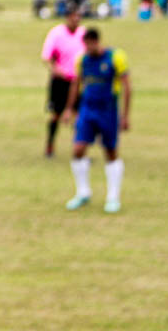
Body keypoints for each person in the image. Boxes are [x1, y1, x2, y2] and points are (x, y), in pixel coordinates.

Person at [62, 27, 132, 213]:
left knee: (110, 151)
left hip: (108, 110)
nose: (87, 48)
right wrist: (69, 109)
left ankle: (113, 197)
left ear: (97, 42)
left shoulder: (115, 58)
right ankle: (83, 192)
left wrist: (125, 115)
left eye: (90, 44)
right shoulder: (82, 60)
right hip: (87, 109)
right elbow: (76, 84)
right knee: (78, 149)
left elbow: (127, 87)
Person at [41, 6, 86, 157]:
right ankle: (50, 146)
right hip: (61, 81)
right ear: (67, 17)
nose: (76, 19)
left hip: (77, 81)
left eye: (78, 16)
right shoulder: (56, 33)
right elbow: (47, 57)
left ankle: (79, 150)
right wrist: (56, 69)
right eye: (73, 16)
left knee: (79, 116)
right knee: (56, 114)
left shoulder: (83, 33)